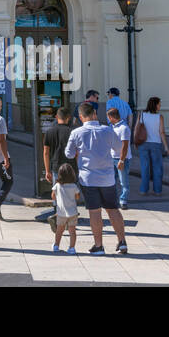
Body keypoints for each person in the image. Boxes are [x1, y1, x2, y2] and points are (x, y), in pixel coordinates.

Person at [65, 102, 128, 255]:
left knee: (94, 211)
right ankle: (122, 242)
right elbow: (119, 149)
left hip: (88, 178)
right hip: (107, 178)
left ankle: (99, 245)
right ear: (94, 114)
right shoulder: (107, 130)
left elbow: (69, 154)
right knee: (113, 209)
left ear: (81, 117)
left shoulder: (76, 133)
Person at [135, 96, 168, 196]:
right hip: (156, 144)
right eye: (159, 104)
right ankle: (157, 190)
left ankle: (143, 190)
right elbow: (162, 132)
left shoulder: (142, 115)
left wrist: (135, 142)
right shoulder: (159, 117)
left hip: (143, 143)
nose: (160, 106)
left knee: (145, 167)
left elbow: (136, 129)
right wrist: (166, 146)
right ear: (155, 105)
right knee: (157, 167)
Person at [51, 163, 80, 254]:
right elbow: (77, 197)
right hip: (73, 213)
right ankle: (72, 248)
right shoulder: (74, 186)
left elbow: (53, 196)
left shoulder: (57, 186)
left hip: (61, 213)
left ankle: (56, 245)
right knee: (72, 231)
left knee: (59, 230)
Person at [107, 107, 131, 209]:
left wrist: (121, 160)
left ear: (112, 117)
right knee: (111, 180)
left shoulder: (124, 128)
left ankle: (123, 200)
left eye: (108, 117)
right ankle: (113, 199)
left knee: (123, 181)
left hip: (122, 158)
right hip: (112, 157)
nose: (108, 119)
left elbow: (125, 145)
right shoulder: (111, 127)